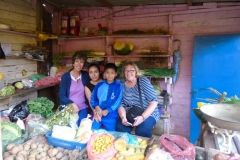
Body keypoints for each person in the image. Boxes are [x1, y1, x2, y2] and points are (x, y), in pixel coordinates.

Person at [116, 60, 161, 138]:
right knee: (120, 128)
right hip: (131, 113)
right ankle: (126, 145)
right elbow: (121, 104)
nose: (129, 72)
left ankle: (146, 148)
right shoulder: (122, 86)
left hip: (148, 112)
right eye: (126, 70)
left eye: (132, 70)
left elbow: (154, 102)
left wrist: (142, 117)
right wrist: (123, 117)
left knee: (142, 131)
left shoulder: (143, 81)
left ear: (136, 72)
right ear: (124, 73)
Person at [59, 51, 90, 126]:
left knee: (82, 127)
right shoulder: (66, 77)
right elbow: (61, 94)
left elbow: (95, 81)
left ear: (84, 64)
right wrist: (72, 104)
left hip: (83, 107)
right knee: (72, 127)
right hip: (69, 107)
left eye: (81, 62)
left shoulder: (86, 76)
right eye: (77, 61)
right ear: (73, 62)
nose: (79, 64)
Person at [90, 63, 122, 131]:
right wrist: (97, 107)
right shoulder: (99, 84)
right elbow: (93, 98)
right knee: (93, 132)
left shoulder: (118, 86)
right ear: (104, 73)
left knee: (110, 134)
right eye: (107, 72)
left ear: (116, 74)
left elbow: (118, 100)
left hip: (111, 116)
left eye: (112, 73)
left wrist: (108, 110)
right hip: (99, 114)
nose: (109, 75)